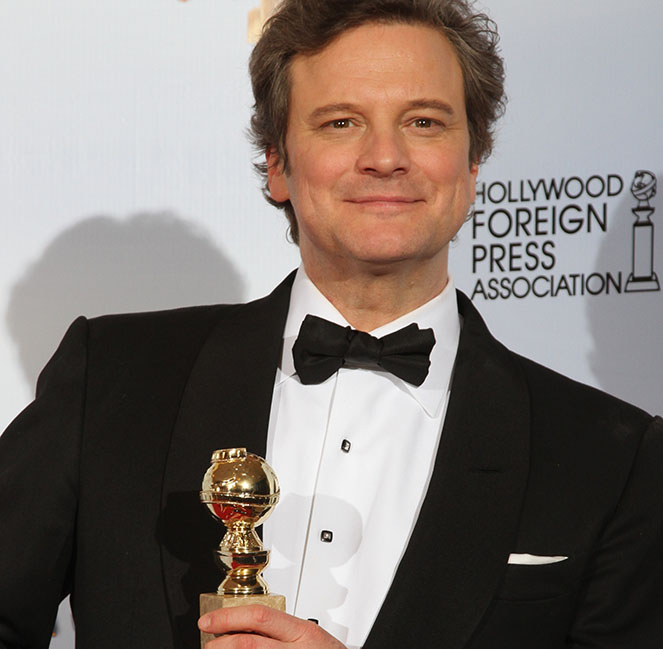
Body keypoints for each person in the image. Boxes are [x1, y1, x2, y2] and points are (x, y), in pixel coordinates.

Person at [1, 1, 661, 648]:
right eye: (341, 122)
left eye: (425, 122)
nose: (384, 156)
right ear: (278, 163)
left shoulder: (608, 457)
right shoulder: (113, 379)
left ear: (472, 164)